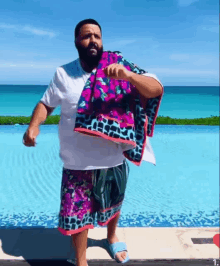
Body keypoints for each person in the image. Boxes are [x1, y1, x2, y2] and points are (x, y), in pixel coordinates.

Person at [23, 19, 163, 266]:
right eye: (86, 36)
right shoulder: (63, 74)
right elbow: (46, 104)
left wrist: (129, 76)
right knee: (76, 216)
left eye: (97, 36)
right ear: (76, 42)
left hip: (114, 159)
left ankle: (111, 237)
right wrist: (33, 126)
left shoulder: (119, 66)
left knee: (115, 204)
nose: (93, 41)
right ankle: (81, 259)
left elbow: (155, 89)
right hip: (77, 162)